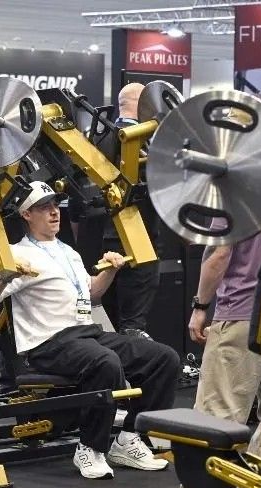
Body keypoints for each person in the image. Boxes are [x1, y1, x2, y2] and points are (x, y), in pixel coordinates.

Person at [0, 181, 180, 479]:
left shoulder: (69, 252)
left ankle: (130, 438)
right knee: (105, 362)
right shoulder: (16, 254)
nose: (54, 212)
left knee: (164, 358)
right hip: (47, 344)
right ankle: (90, 448)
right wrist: (5, 277)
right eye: (44, 207)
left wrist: (110, 270)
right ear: (27, 214)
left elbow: (91, 294)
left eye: (55, 206)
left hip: (86, 333)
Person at [145, 233, 261, 488]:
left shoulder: (234, 202)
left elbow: (219, 254)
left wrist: (200, 306)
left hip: (242, 314)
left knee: (216, 413)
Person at [89, 83, 161, 338]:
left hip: (104, 239)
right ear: (143, 102)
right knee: (133, 326)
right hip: (138, 236)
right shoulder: (142, 139)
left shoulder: (98, 137)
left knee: (108, 321)